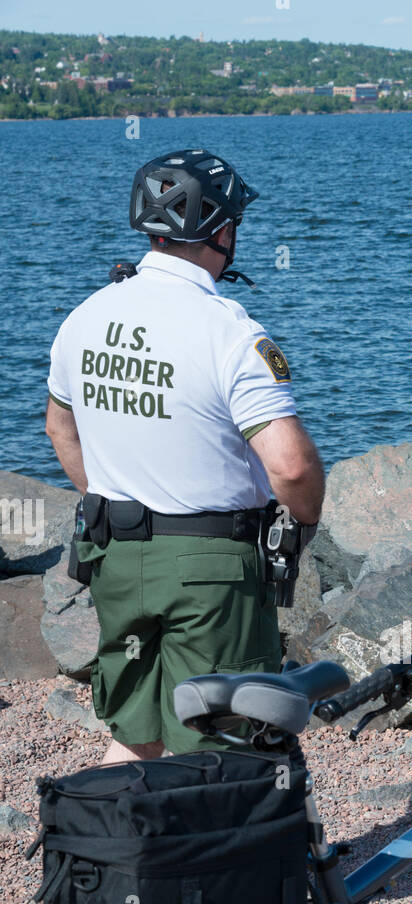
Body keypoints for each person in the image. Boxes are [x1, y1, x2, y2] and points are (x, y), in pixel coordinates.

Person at [45, 148, 324, 764]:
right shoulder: (229, 330)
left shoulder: (87, 316)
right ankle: (213, 860)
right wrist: (304, 519)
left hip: (114, 555)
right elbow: (293, 467)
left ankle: (114, 851)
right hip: (211, 568)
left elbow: (59, 428)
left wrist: (109, 494)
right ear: (221, 232)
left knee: (135, 730)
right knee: (220, 738)